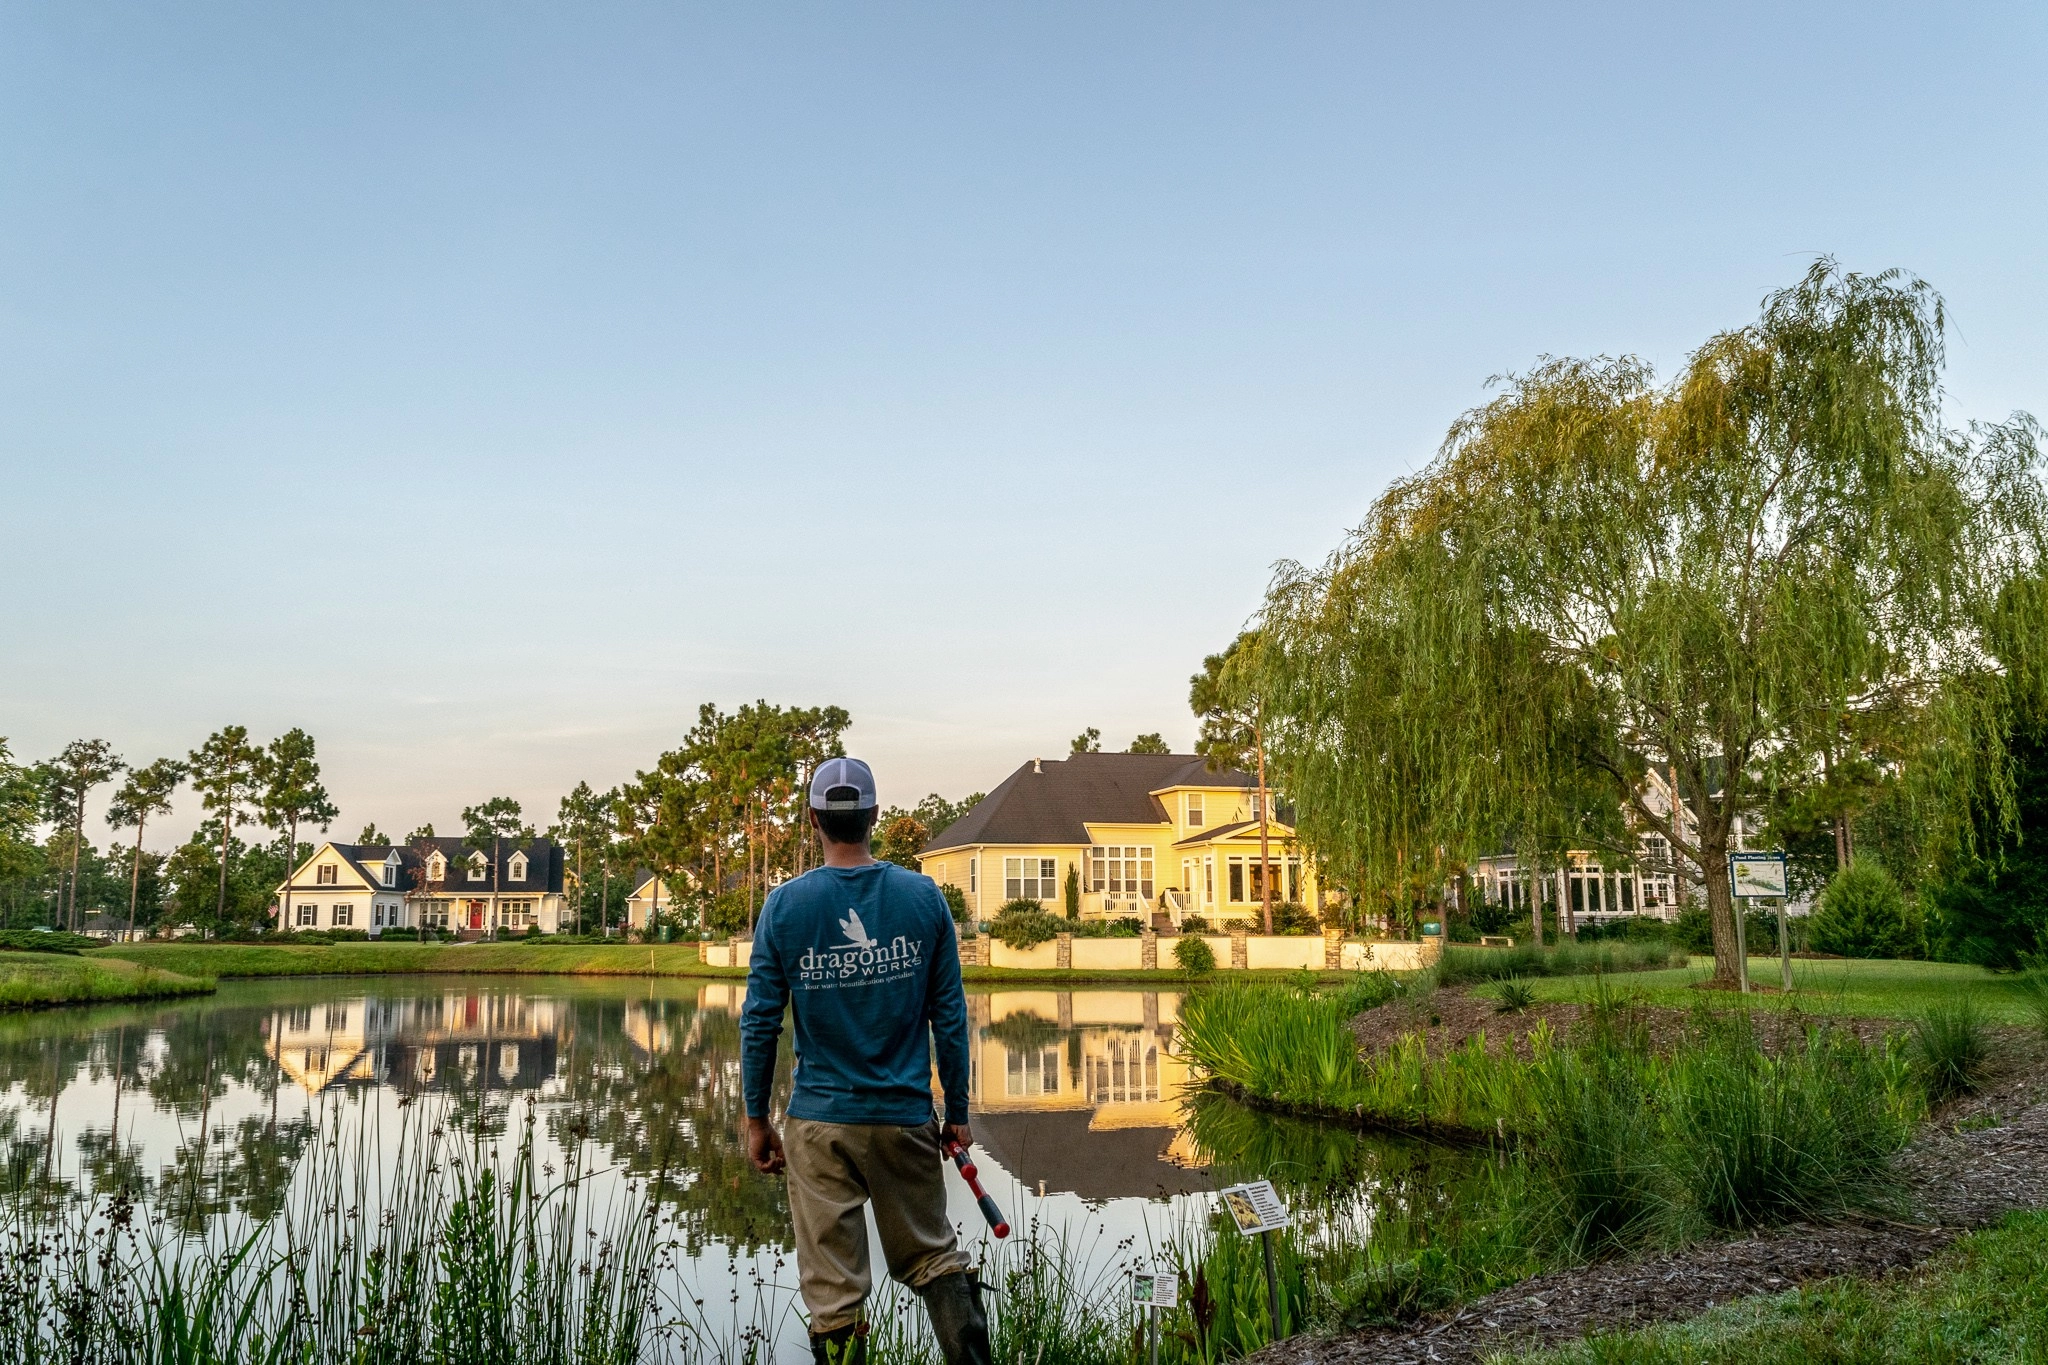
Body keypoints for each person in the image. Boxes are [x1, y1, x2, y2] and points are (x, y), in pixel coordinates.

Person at [740, 756, 990, 1365]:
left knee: (834, 1295)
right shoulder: (922, 896)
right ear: (874, 816)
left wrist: (755, 1117)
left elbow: (760, 1021)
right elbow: (950, 1017)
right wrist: (955, 1109)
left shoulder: (785, 907)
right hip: (904, 1117)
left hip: (819, 1123)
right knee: (932, 1256)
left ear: (813, 820)